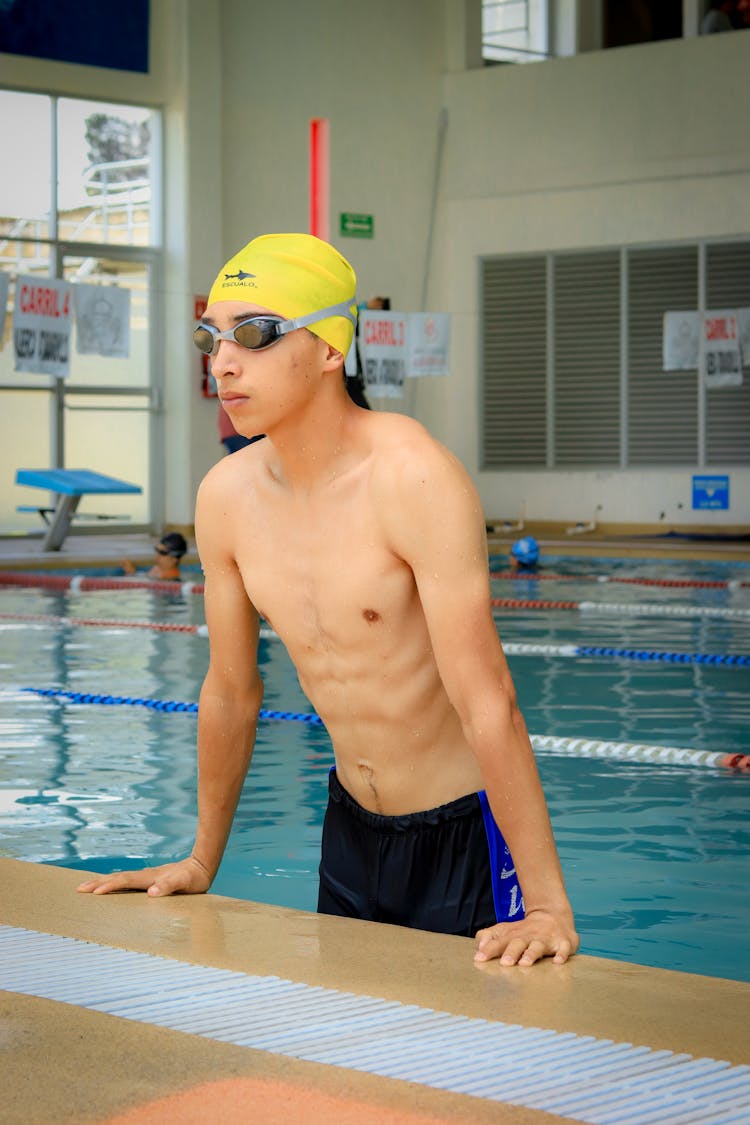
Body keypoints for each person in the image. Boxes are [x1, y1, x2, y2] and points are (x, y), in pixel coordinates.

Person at [79, 233, 578, 968]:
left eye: (254, 334)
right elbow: (230, 690)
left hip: (465, 834)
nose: (222, 360)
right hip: (348, 834)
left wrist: (547, 907)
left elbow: (488, 701)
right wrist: (199, 859)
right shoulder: (226, 497)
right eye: (210, 337)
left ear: (329, 348)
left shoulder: (412, 476)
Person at [122, 531, 187, 581]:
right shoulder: (158, 569)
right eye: (157, 550)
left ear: (174, 559)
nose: (157, 555)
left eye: (162, 553)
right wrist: (132, 573)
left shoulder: (170, 579)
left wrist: (131, 574)